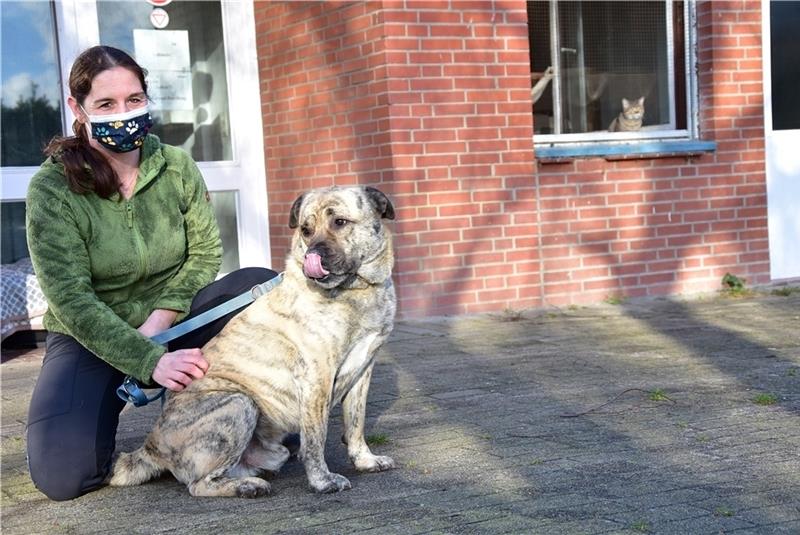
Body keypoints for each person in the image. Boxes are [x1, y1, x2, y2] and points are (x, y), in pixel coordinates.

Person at [25, 45, 277, 501]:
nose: (123, 114)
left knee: (260, 285)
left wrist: (160, 325)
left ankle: (257, 421)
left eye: (134, 100)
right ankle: (159, 428)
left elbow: (204, 252)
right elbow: (70, 298)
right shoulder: (53, 188)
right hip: (93, 334)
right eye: (106, 105)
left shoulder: (176, 166)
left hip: (172, 320)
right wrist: (147, 358)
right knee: (63, 476)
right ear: (76, 109)